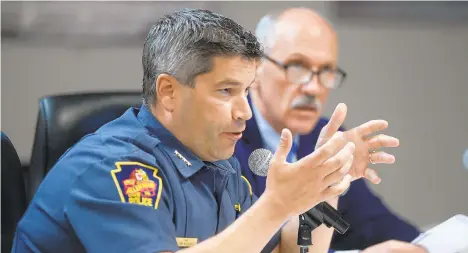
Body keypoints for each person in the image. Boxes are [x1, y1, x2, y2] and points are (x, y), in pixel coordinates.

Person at [13, 8, 365, 253]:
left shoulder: (220, 165)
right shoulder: (111, 169)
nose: (244, 111)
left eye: (247, 91)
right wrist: (275, 206)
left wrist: (324, 188)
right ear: (168, 92)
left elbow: (288, 251)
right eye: (226, 91)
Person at [234, 7, 426, 252]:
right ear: (256, 67)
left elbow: (374, 224)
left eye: (326, 71)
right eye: (297, 66)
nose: (313, 88)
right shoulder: (228, 133)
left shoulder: (324, 136)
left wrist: (425, 246)